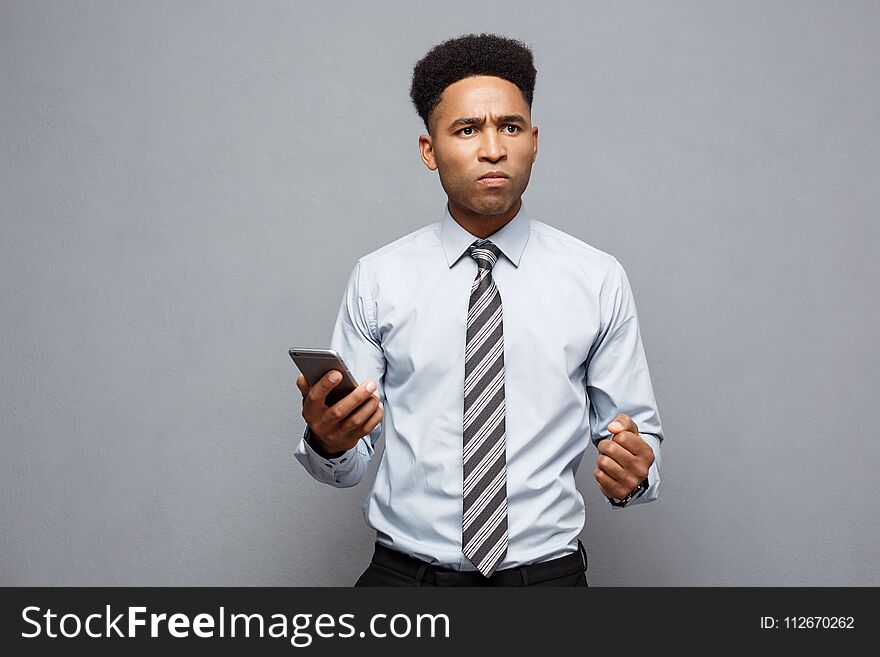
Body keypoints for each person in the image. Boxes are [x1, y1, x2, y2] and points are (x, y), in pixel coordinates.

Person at [294, 33, 664, 587]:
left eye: (510, 127)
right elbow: (346, 465)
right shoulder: (380, 279)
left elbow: (636, 438)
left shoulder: (597, 278)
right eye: (467, 130)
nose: (493, 148)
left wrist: (635, 472)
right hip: (405, 580)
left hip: (546, 583)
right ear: (428, 150)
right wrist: (329, 439)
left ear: (534, 141)